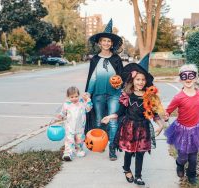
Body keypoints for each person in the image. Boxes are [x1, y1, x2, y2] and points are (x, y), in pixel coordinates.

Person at [101, 63, 165, 185]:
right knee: (129, 152)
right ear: (133, 80)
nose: (140, 82)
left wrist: (160, 124)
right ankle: (126, 168)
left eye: (143, 80)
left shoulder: (149, 97)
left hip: (143, 128)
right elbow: (119, 112)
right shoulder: (127, 95)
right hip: (129, 128)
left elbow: (154, 113)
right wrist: (109, 117)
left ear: (146, 81)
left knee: (140, 153)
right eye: (138, 79)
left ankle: (138, 176)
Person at [85, 19, 124, 161]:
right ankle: (99, 143)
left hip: (114, 94)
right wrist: (88, 93)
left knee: (113, 121)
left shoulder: (116, 59)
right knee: (98, 120)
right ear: (99, 43)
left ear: (112, 43)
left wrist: (120, 84)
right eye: (104, 41)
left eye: (109, 41)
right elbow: (93, 78)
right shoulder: (95, 59)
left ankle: (112, 148)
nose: (106, 43)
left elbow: (122, 77)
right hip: (98, 95)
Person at [56, 86, 93, 161]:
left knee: (79, 139)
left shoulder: (82, 102)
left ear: (78, 95)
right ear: (68, 97)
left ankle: (79, 150)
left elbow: (88, 109)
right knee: (69, 140)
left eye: (76, 96)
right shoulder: (67, 104)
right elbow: (63, 112)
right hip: (70, 126)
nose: (74, 98)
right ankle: (67, 153)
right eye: (72, 97)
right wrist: (60, 116)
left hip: (80, 126)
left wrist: (88, 101)